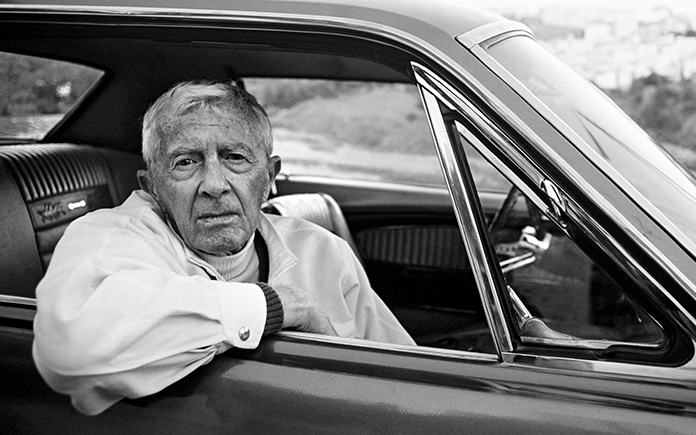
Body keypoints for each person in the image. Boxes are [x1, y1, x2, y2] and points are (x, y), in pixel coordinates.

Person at [32, 80, 414, 416]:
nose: (214, 184)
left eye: (234, 158)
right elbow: (72, 348)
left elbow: (411, 383)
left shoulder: (324, 252)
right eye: (185, 162)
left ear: (268, 178)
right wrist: (278, 306)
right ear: (152, 187)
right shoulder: (109, 237)